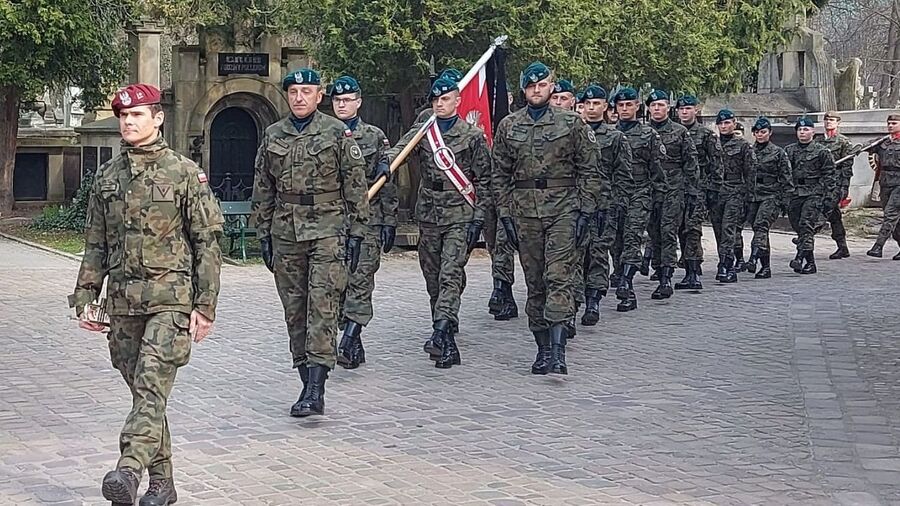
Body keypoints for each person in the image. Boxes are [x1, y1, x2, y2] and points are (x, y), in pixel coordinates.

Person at [68, 83, 223, 506]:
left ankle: (129, 468)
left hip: (170, 300)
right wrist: (85, 297)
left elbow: (208, 242)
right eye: (123, 116)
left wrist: (205, 306)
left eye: (137, 115)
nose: (128, 122)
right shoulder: (107, 176)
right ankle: (163, 483)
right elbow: (96, 243)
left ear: (158, 119)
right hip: (122, 302)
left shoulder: (184, 173)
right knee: (145, 394)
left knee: (151, 385)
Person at [252, 68, 369, 417]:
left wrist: (357, 232)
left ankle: (315, 389)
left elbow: (356, 186)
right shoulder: (273, 134)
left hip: (327, 230)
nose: (299, 97)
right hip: (285, 231)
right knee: (295, 310)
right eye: (293, 92)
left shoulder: (336, 133)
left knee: (323, 306)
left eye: (307, 91)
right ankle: (305, 379)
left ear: (320, 96)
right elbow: (263, 187)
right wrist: (263, 233)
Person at [493, 61, 607, 375]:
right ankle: (542, 348)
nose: (536, 90)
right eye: (530, 86)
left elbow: (590, 171)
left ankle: (559, 351)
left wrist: (585, 210)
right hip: (525, 212)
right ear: (523, 90)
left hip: (563, 210)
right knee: (535, 282)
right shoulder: (509, 126)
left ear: (551, 86)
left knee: (559, 276)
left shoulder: (572, 123)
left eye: (541, 85)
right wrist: (504, 215)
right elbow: (499, 175)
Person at [387, 76, 491, 368]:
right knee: (433, 275)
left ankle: (440, 331)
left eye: (445, 99)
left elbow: (485, 180)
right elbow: (402, 150)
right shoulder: (424, 128)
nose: (439, 104)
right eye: (435, 100)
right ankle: (444, 329)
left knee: (449, 273)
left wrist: (478, 218)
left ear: (457, 101)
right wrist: (386, 162)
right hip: (430, 213)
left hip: (460, 213)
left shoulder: (471, 136)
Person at [328, 76, 398, 370]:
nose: (342, 105)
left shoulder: (373, 136)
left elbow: (387, 181)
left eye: (347, 100)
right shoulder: (324, 134)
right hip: (332, 222)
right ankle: (354, 345)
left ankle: (348, 340)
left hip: (366, 221)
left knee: (360, 281)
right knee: (337, 285)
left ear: (358, 102)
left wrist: (390, 221)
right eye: (337, 100)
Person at [578, 84, 635, 325]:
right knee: (576, 255)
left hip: (604, 206)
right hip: (575, 205)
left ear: (605, 107)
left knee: (599, 253)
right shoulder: (571, 133)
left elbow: (624, 176)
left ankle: (593, 301)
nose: (592, 108)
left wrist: (618, 206)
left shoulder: (615, 137)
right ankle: (573, 302)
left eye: (597, 104)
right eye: (588, 104)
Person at [613, 87, 666, 312]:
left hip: (639, 192)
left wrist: (659, 196)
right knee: (616, 241)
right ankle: (620, 272)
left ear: (637, 106)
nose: (625, 109)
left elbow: (657, 168)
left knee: (632, 237)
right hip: (614, 194)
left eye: (629, 105)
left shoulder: (649, 135)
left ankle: (627, 284)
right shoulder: (609, 134)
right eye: (620, 105)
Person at [645, 90, 699, 299]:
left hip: (673, 190)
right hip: (649, 191)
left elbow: (691, 163)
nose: (657, 109)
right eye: (653, 105)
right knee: (654, 234)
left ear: (668, 108)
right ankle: (658, 269)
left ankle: (666, 277)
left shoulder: (679, 132)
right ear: (648, 108)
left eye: (661, 105)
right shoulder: (643, 131)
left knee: (668, 233)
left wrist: (692, 192)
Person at [674, 95, 722, 290]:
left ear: (696, 111)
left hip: (698, 189)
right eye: (681, 109)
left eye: (688, 108)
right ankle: (687, 264)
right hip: (676, 189)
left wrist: (714, 189)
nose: (685, 112)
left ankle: (693, 272)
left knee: (692, 228)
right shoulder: (673, 133)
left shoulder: (705, 135)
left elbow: (716, 163)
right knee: (680, 229)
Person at [785, 116, 837, 274]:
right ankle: (811, 263)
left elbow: (829, 174)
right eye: (799, 130)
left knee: (805, 225)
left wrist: (828, 196)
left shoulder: (822, 151)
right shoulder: (789, 150)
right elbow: (784, 173)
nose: (802, 132)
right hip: (795, 193)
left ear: (813, 132)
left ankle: (800, 258)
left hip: (814, 193)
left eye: (806, 129)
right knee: (798, 227)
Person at [743, 117, 794, 278]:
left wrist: (785, 201)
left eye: (763, 132)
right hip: (753, 195)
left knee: (761, 226)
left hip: (771, 194)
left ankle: (753, 258)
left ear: (770, 133)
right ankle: (765, 267)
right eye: (757, 132)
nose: (760, 135)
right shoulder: (749, 151)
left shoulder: (778, 153)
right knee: (759, 230)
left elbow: (786, 178)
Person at [715, 109, 755, 283]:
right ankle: (723, 259)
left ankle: (727, 265)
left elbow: (750, 172)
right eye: (721, 123)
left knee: (728, 229)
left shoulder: (743, 145)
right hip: (716, 192)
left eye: (727, 123)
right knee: (718, 230)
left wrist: (749, 196)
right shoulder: (713, 143)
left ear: (734, 123)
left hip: (735, 191)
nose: (724, 126)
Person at [816, 111, 858, 259]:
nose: (829, 122)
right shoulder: (818, 141)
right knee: (834, 216)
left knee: (825, 209)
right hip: (821, 182)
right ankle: (843, 247)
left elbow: (847, 166)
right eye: (826, 120)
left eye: (832, 120)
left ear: (838, 123)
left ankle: (807, 235)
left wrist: (844, 187)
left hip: (836, 182)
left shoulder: (843, 142)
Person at [866, 114, 900, 259]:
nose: (890, 126)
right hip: (885, 183)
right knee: (896, 221)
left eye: (894, 123)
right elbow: (866, 147)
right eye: (889, 123)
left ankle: (878, 246)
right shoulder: (883, 142)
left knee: (890, 215)